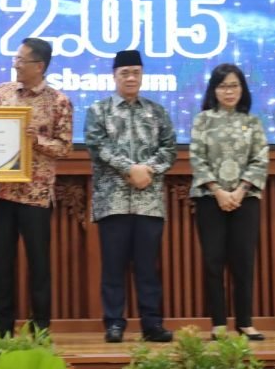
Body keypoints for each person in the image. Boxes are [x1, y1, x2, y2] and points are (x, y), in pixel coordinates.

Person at [84, 50, 177, 344]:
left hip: (149, 202)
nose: (131, 78)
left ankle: (152, 325)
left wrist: (147, 169)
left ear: (142, 75)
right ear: (114, 76)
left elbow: (169, 149)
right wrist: (130, 169)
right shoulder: (98, 111)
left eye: (136, 72)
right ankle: (114, 323)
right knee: (113, 267)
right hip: (112, 201)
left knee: (148, 268)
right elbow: (97, 147)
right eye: (125, 73)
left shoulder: (157, 111)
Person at [0, 37, 73, 337]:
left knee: (39, 264)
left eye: (21, 60)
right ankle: (2, 328)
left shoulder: (58, 101)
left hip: (35, 195)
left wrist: (36, 140)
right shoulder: (1, 92)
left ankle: (40, 328)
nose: (16, 64)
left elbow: (64, 147)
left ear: (39, 66)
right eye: (15, 58)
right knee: (1, 264)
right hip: (0, 192)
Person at [189, 63, 269, 341]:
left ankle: (245, 323)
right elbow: (197, 158)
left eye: (234, 85)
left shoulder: (252, 122)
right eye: (223, 86)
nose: (229, 91)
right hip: (210, 199)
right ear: (214, 90)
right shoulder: (202, 120)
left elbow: (261, 159)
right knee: (213, 262)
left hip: (245, 200)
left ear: (242, 89)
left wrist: (240, 191)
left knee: (243, 261)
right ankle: (219, 324)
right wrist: (219, 191)